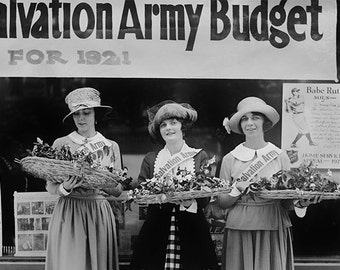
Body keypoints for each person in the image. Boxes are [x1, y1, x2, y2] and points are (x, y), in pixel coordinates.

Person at [217, 96, 319, 270]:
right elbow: (222, 202)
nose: (250, 123)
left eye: (255, 117)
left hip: (273, 223)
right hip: (239, 227)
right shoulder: (229, 159)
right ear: (240, 125)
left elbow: (286, 202)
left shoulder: (280, 156)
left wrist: (301, 203)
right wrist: (236, 190)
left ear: (264, 122)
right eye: (244, 119)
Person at [130, 100, 219, 270]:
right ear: (159, 130)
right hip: (157, 227)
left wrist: (189, 202)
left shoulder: (199, 156)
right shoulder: (151, 159)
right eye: (163, 125)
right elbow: (142, 190)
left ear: (183, 127)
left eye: (173, 123)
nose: (168, 128)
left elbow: (206, 196)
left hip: (192, 226)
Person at [45, 87, 123, 270]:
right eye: (76, 114)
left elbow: (118, 189)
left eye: (86, 113)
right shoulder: (61, 144)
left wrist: (102, 182)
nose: (81, 118)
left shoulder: (111, 146)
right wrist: (64, 187)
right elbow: (50, 185)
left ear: (96, 115)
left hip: (98, 211)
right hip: (69, 211)